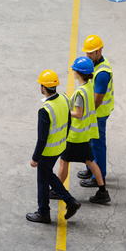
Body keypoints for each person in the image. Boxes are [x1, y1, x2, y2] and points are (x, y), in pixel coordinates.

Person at [27, 70, 81, 224]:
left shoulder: (45, 110)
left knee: (43, 181)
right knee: (48, 175)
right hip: (60, 146)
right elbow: (69, 121)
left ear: (43, 87)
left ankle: (44, 213)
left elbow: (42, 138)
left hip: (48, 151)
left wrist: (35, 158)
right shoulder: (64, 98)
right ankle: (70, 202)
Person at [56, 57, 110, 204]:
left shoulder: (80, 92)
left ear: (78, 73)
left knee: (63, 162)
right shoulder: (89, 87)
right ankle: (102, 191)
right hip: (85, 134)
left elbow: (78, 114)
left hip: (75, 135)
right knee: (91, 161)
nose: (72, 71)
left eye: (74, 69)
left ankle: (57, 190)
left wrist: (66, 111)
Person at [77, 35, 114, 187]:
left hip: (98, 113)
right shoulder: (94, 64)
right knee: (90, 142)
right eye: (87, 53)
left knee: (97, 144)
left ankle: (99, 177)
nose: (88, 56)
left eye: (91, 53)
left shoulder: (102, 73)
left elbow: (98, 100)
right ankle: (91, 169)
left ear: (99, 51)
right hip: (93, 112)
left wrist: (86, 115)